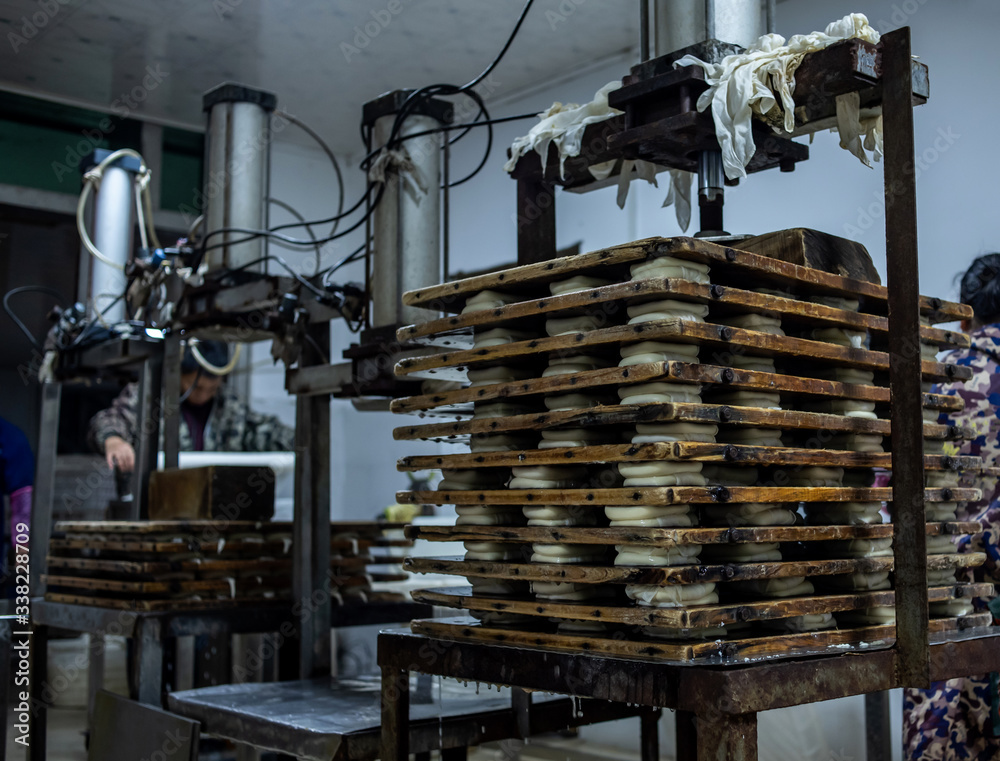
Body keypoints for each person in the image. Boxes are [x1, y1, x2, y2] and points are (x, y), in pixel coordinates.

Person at [903, 253, 1000, 760]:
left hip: (939, 603)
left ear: (967, 317)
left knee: (942, 735)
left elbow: (886, 492)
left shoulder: (931, 382)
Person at [88, 340, 295, 472]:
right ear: (179, 375)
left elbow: (264, 432)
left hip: (211, 509)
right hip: (154, 504)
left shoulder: (230, 407)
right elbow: (108, 420)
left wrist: (302, 440)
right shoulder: (150, 396)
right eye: (196, 387)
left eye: (212, 389)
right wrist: (114, 441)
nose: (203, 395)